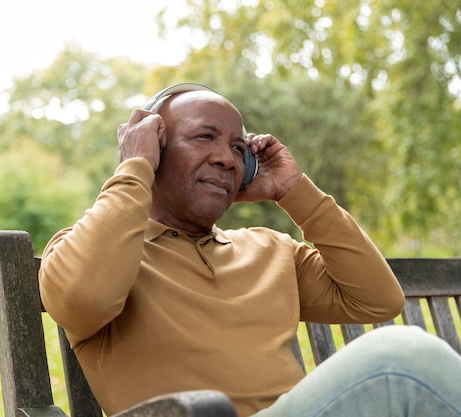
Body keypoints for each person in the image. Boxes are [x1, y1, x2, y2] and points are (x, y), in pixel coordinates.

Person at [38, 84, 461, 417]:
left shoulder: (270, 250)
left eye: (240, 150)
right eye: (205, 137)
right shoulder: (90, 251)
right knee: (400, 359)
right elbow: (84, 296)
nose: (227, 158)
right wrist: (134, 168)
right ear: (155, 148)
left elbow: (378, 299)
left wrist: (295, 192)